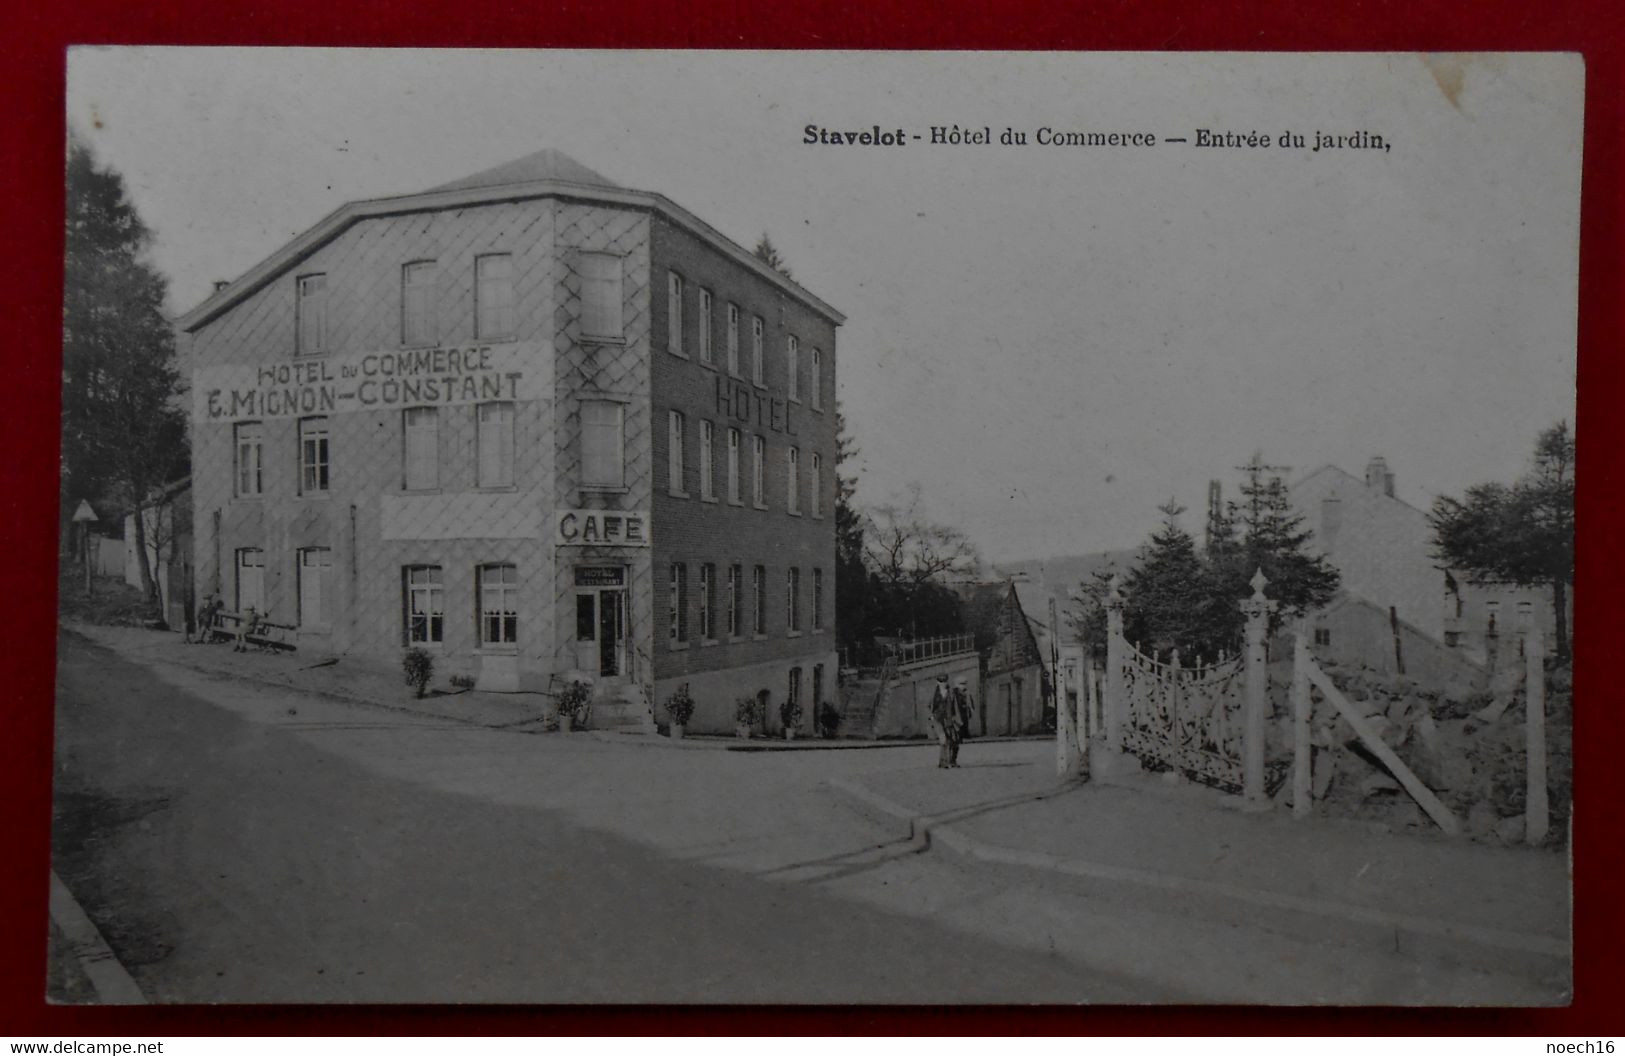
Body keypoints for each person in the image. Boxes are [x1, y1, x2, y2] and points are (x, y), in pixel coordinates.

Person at [930, 674, 958, 769]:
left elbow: (954, 705)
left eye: (944, 681)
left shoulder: (951, 692)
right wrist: (931, 716)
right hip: (938, 719)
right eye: (941, 681)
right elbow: (929, 705)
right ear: (937, 682)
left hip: (948, 719)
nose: (943, 683)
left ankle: (948, 761)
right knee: (943, 739)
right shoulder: (934, 693)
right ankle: (943, 762)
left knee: (951, 740)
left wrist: (954, 717)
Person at [950, 677, 975, 765]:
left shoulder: (966, 694)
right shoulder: (953, 694)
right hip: (954, 720)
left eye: (964, 683)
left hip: (962, 720)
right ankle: (951, 760)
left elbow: (971, 706)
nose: (963, 686)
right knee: (954, 740)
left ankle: (953, 760)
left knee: (957, 741)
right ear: (956, 684)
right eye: (961, 684)